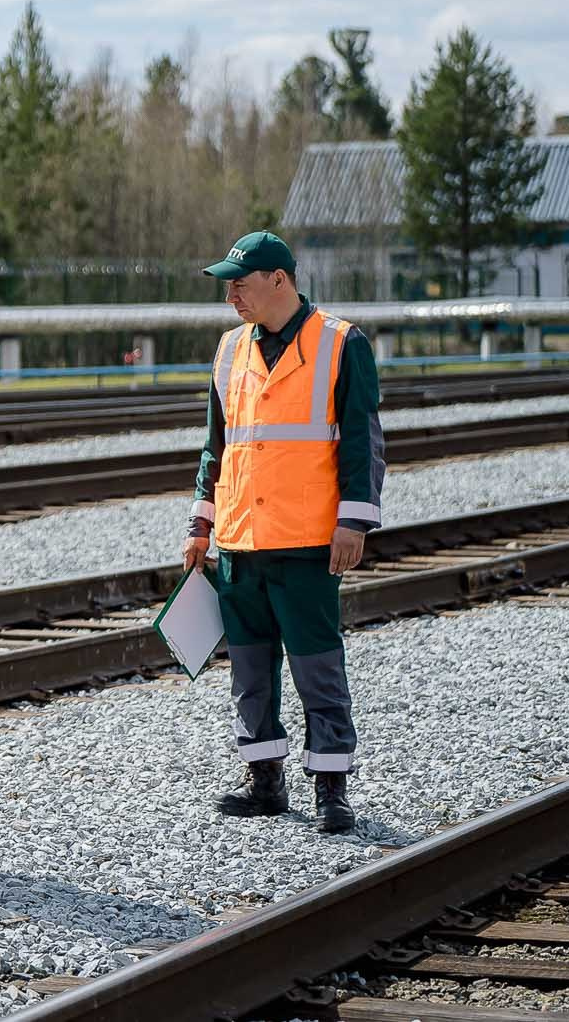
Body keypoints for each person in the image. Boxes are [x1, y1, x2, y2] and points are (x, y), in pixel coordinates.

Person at [182, 230, 385, 834]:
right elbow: (216, 448)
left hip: (306, 540)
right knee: (249, 670)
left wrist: (354, 519)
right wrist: (200, 524)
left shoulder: (342, 344)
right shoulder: (228, 350)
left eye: (239, 285)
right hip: (241, 542)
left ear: (279, 280)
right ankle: (264, 780)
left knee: (316, 667)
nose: (231, 299)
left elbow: (362, 440)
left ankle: (331, 787)